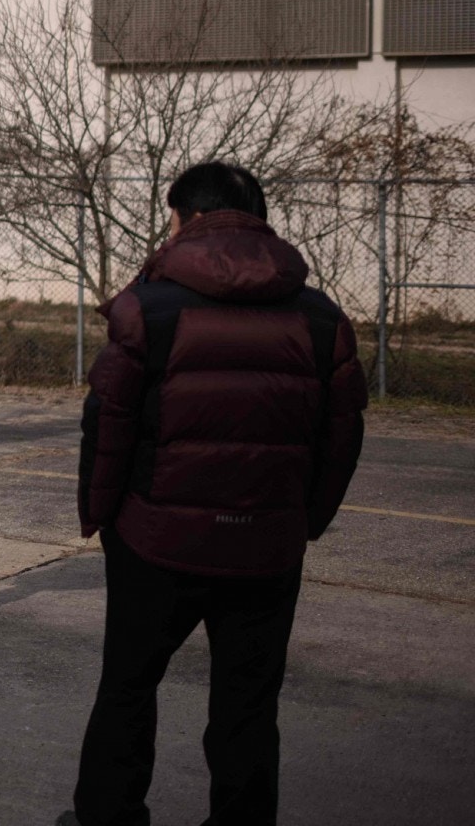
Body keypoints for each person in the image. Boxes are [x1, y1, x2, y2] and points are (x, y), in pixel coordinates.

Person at [59, 161, 366, 826]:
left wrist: (104, 517)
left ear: (189, 219)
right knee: (249, 703)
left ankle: (109, 816)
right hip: (267, 549)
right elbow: (342, 437)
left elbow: (106, 423)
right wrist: (303, 522)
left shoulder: (148, 308)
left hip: (154, 543)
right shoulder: (322, 319)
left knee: (128, 687)